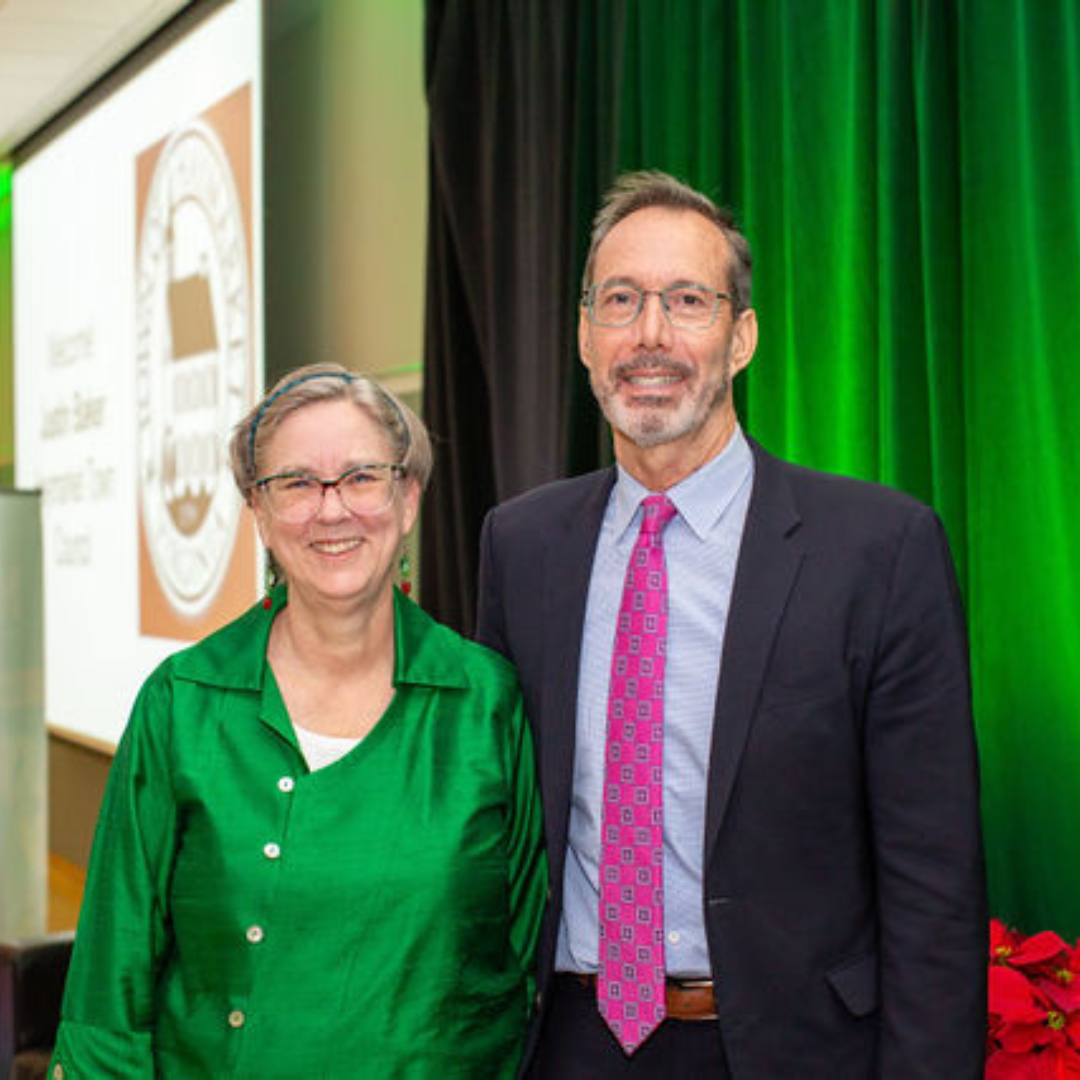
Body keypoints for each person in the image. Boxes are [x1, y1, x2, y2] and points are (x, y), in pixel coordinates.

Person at [477, 171, 987, 1078]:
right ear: (584, 336)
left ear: (742, 336)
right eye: (621, 301)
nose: (650, 335)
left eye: (688, 301)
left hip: (791, 1050)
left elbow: (934, 880)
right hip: (569, 1045)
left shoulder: (880, 547)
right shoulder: (521, 546)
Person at [51, 362, 546, 1078]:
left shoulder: (486, 704)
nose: (332, 509)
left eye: (361, 477)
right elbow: (108, 993)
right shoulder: (183, 703)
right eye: (297, 484)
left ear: (408, 498)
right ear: (258, 512)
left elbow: (530, 965)